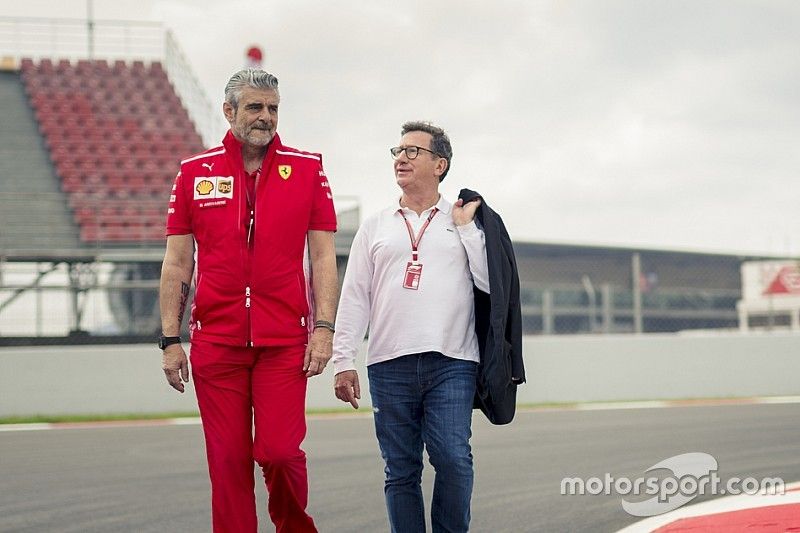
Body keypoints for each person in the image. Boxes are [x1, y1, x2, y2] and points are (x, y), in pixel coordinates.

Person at [159, 68, 338, 533]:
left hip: (284, 343)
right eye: (255, 107)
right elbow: (178, 263)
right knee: (227, 462)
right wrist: (169, 340)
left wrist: (324, 330)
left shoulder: (307, 169)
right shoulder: (195, 174)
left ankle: (295, 527)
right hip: (216, 345)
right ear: (229, 111)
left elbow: (322, 258)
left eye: (273, 108)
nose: (266, 117)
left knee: (279, 452)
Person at [332, 121, 489, 532]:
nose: (400, 158)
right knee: (400, 470)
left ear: (440, 164)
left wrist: (468, 229)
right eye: (397, 151)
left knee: (453, 458)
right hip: (388, 363)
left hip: (452, 361)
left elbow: (491, 286)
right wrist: (342, 359)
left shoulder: (462, 219)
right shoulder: (376, 224)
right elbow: (355, 296)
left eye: (412, 151)